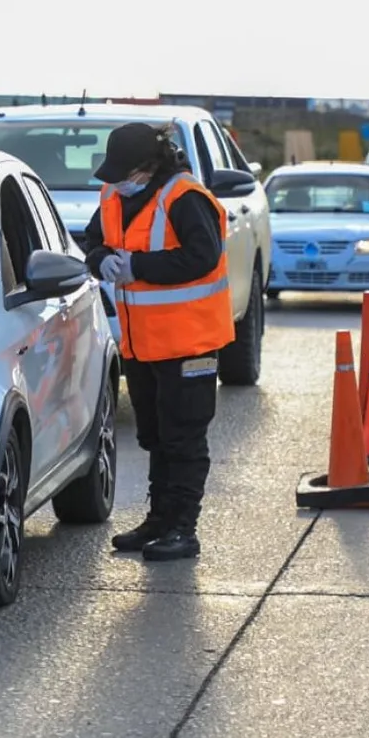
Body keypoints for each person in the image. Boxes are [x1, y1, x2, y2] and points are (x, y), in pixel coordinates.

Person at [79, 122, 233, 561]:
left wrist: (139, 267)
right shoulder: (114, 194)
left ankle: (183, 529)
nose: (117, 184)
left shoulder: (185, 198)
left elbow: (202, 257)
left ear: (148, 167)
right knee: (155, 436)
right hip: (142, 343)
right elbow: (94, 239)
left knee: (183, 439)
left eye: (125, 175)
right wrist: (101, 260)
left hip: (190, 343)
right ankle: (159, 521)